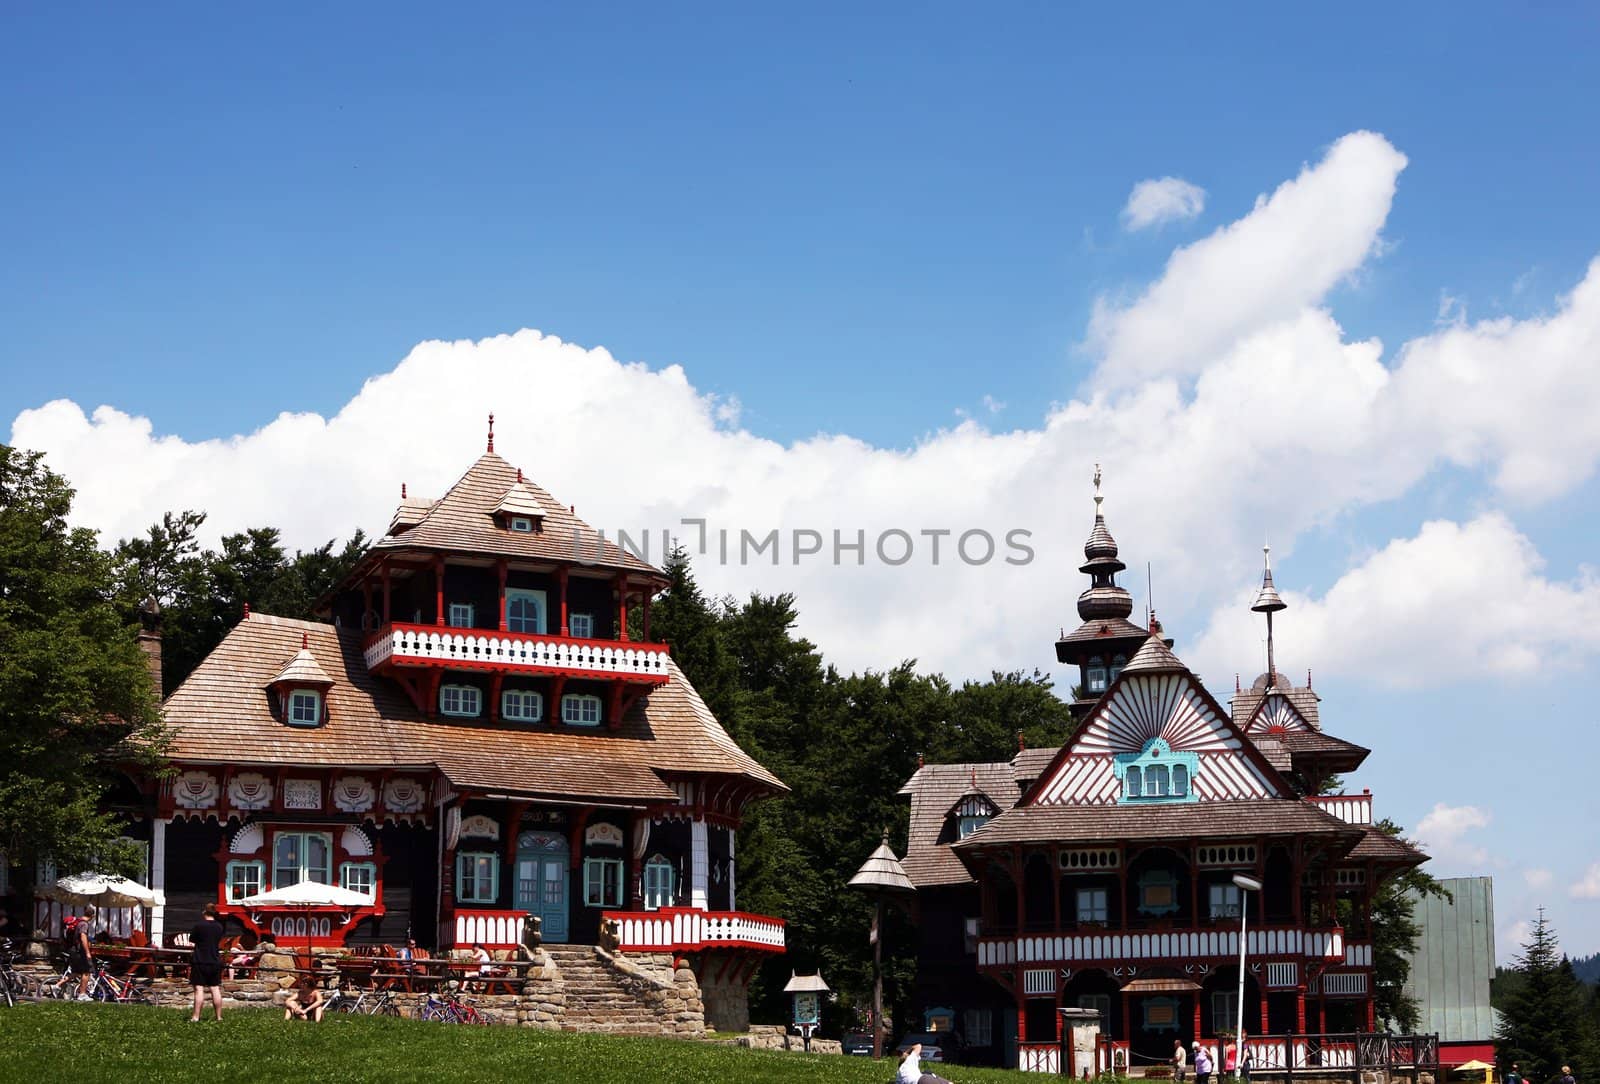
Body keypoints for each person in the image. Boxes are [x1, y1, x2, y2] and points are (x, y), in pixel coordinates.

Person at [188, 902, 225, 1022]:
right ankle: (219, 1017)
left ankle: (196, 1016)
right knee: (215, 989)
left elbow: (192, 939)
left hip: (200, 960)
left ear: (204, 912)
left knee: (199, 989)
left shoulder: (199, 926)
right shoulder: (219, 927)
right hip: (214, 960)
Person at [66, 914, 95, 1000]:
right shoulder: (84, 924)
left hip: (73, 950)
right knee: (86, 972)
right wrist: (87, 952)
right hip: (80, 951)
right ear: (92, 916)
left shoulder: (78, 922)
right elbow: (83, 937)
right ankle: (82, 994)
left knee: (76, 972)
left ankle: (57, 985)